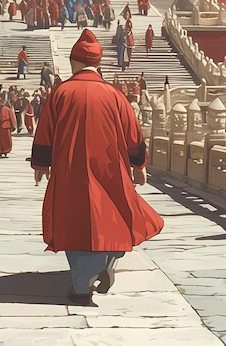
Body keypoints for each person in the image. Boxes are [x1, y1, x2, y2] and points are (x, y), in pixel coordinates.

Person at [30, 29, 164, 306]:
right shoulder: (114, 96)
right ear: (98, 63)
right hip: (110, 169)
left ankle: (81, 286)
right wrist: (138, 164)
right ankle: (109, 258)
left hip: (70, 170)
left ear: (73, 61)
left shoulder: (62, 93)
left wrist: (41, 164)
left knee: (75, 220)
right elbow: (133, 135)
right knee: (115, 215)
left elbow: (45, 132)